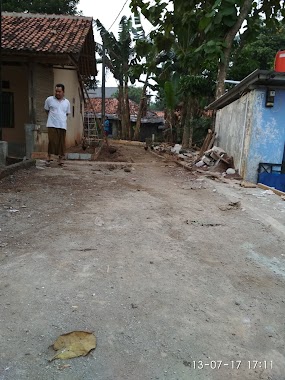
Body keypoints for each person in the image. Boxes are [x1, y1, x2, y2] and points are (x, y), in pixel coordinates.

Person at [44, 84, 70, 166]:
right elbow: (46, 110)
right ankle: (48, 157)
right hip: (52, 124)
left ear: (63, 92)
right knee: (52, 141)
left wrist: (61, 119)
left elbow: (67, 113)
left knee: (61, 143)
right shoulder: (49, 100)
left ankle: (60, 159)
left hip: (62, 125)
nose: (57, 93)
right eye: (56, 91)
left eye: (59, 91)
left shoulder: (67, 102)